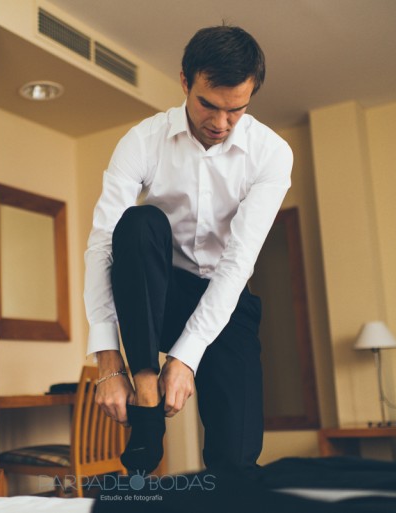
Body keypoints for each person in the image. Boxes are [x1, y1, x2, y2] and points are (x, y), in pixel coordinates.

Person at [83, 24, 293, 474]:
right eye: (208, 105)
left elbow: (239, 261)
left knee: (235, 462)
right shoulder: (142, 140)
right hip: (158, 296)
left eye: (236, 111)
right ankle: (145, 387)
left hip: (226, 298)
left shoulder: (272, 154)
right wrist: (109, 362)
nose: (220, 123)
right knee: (138, 223)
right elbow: (103, 243)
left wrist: (184, 360)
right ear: (184, 81)